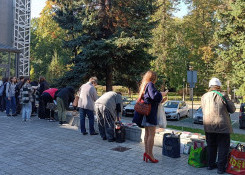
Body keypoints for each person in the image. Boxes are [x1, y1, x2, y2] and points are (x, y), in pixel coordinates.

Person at [201, 78, 236, 174]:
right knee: (223, 147)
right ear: (219, 86)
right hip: (222, 126)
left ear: (210, 86)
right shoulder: (223, 95)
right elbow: (232, 109)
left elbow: (203, 109)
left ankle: (210, 165)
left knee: (211, 146)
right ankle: (220, 168)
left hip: (208, 126)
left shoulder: (204, 96)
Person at [133, 70, 167, 163]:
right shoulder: (150, 84)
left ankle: (146, 153)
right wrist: (162, 94)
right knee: (151, 134)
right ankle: (150, 155)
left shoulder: (144, 85)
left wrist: (162, 100)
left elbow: (149, 99)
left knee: (147, 134)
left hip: (145, 114)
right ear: (154, 78)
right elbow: (154, 96)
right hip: (150, 114)